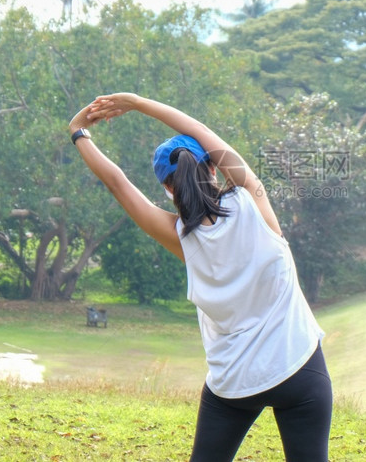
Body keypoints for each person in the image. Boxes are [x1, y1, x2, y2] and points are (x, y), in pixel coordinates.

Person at [68, 93, 332, 462]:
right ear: (212, 168)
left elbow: (118, 184)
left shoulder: (179, 236)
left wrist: (78, 133)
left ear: (168, 188)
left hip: (234, 384)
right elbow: (200, 130)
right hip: (299, 368)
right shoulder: (252, 199)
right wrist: (137, 103)